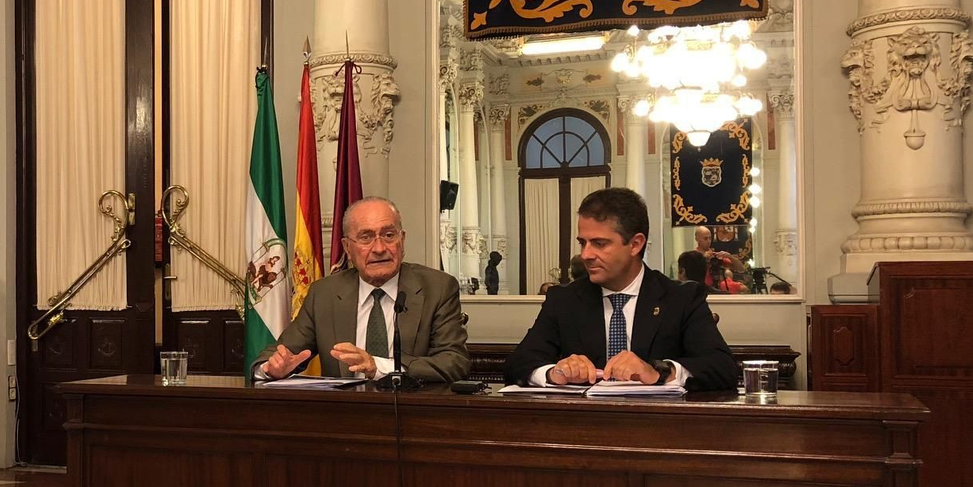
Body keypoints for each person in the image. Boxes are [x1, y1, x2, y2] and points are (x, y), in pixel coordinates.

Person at [506, 187, 738, 389]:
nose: (585, 255)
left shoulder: (680, 298)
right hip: (581, 430)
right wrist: (553, 373)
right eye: (582, 243)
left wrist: (659, 372)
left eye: (599, 243)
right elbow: (518, 365)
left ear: (635, 244)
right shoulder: (564, 300)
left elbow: (722, 367)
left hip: (659, 430)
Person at [255, 196, 470, 383]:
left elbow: (454, 362)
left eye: (388, 235)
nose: (379, 248)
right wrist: (271, 368)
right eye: (366, 238)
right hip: (344, 418)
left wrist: (377, 367)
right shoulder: (324, 294)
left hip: (413, 416)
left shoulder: (437, 288)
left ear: (402, 241)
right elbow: (277, 354)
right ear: (348, 247)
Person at [678, 248, 743, 294]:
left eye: (710, 238)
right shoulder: (693, 257)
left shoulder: (715, 258)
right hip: (699, 289)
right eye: (705, 238)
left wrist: (730, 256)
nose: (708, 241)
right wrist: (703, 258)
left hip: (713, 291)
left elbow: (741, 269)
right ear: (698, 239)